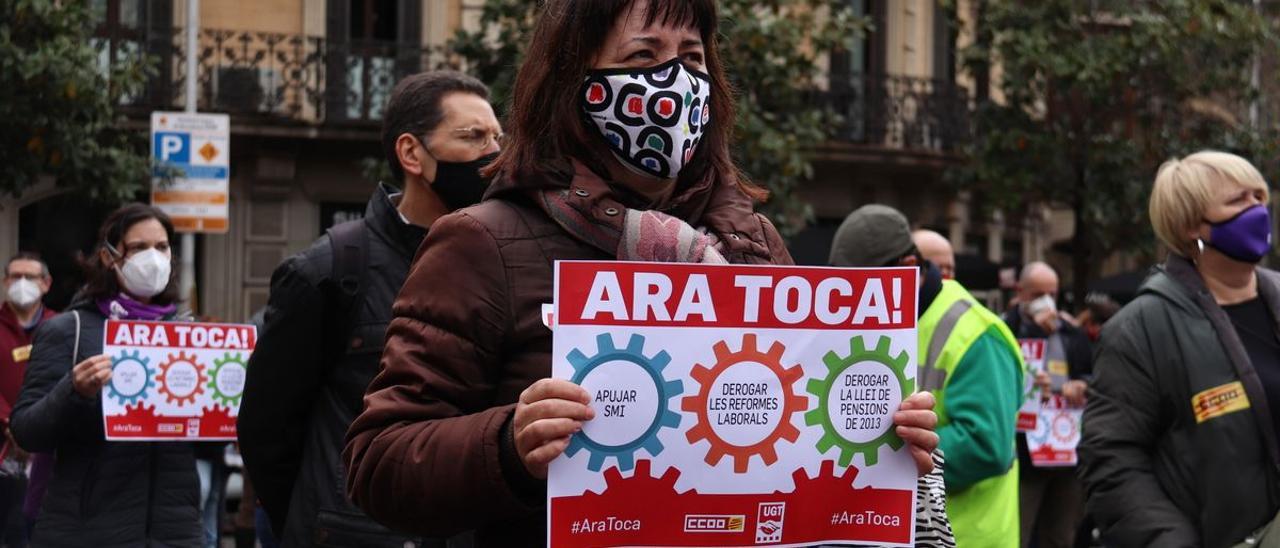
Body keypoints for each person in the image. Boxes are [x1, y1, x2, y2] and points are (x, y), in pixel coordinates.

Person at [342, 2, 939, 547]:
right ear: (573, 78)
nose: (675, 81)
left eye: (691, 58)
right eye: (643, 56)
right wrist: (509, 445)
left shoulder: (750, 241)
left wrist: (883, 439)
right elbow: (378, 463)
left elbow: (798, 444)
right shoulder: (483, 241)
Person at [237, 69, 501, 547]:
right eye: (473, 137)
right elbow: (267, 430)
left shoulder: (498, 263)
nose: (493, 153)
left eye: (498, 137)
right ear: (411, 153)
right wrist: (317, 521)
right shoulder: (327, 270)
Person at [1080, 151, 1280, 547]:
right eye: (1238, 201)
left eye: (1259, 197)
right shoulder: (1141, 328)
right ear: (1191, 226)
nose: (1257, 209)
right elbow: (1112, 460)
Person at [831, 204, 1025, 548]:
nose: (855, 299)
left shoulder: (978, 333)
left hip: (969, 537)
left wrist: (882, 452)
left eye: (866, 284)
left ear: (908, 269)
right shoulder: (884, 322)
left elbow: (987, 446)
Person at [11, 203, 200, 546]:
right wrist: (73, 390)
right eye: (139, 247)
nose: (153, 258)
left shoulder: (187, 336)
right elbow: (26, 430)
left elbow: (207, 444)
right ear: (108, 256)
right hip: (88, 531)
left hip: (172, 533)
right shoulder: (70, 329)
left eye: (161, 247)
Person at [1002, 262, 1092, 548]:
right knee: (1020, 530)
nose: (1046, 301)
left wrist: (1082, 384)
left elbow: (1093, 374)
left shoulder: (1070, 332)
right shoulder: (1005, 328)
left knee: (1061, 534)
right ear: (1020, 292)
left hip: (1066, 450)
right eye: (1038, 293)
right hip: (1025, 451)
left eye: (1052, 293)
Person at [0, 252, 55, 547]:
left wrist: (38, 426)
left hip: (47, 448)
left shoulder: (62, 326)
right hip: (4, 443)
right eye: (15, 276)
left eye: (30, 277)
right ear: (5, 282)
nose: (22, 283)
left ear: (46, 284)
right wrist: (11, 423)